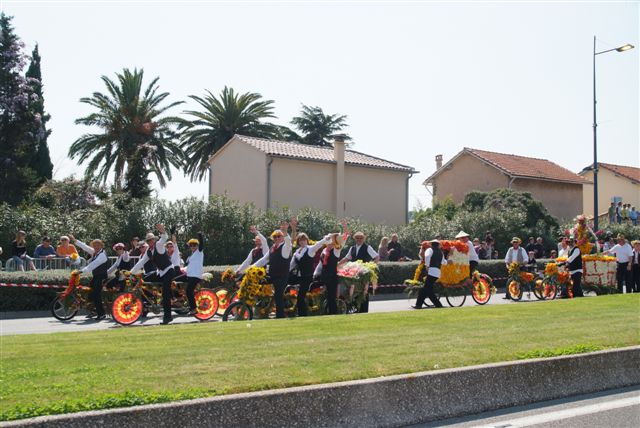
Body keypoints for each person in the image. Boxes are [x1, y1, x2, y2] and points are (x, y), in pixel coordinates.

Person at [130, 224, 175, 324]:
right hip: (161, 272)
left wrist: (163, 231)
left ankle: (168, 317)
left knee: (165, 293)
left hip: (169, 271)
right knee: (143, 280)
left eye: (151, 240)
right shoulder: (148, 251)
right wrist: (131, 273)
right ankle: (148, 303)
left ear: (154, 240)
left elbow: (164, 238)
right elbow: (141, 262)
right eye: (148, 240)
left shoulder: (158, 245)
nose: (150, 241)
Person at [252, 221, 293, 319]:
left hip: (281, 276)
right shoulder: (272, 248)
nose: (277, 238)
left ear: (282, 237)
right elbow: (264, 260)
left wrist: (285, 231)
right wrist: (251, 268)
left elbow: (288, 242)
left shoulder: (285, 247)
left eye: (279, 236)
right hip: (272, 275)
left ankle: (280, 317)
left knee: (278, 296)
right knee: (258, 283)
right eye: (275, 236)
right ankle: (260, 308)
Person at [289, 219, 327, 317]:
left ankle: (303, 315)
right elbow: (291, 265)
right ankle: (298, 312)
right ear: (298, 242)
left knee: (300, 296)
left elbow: (318, 245)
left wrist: (325, 239)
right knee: (294, 293)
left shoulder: (310, 250)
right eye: (301, 240)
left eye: (304, 240)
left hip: (308, 277)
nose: (303, 242)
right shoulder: (297, 252)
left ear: (307, 240)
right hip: (300, 277)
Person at [69, 234, 109, 320]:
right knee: (90, 293)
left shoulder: (102, 255)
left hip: (101, 277)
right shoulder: (95, 252)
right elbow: (85, 247)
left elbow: (93, 265)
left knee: (96, 294)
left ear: (102, 246)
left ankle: (101, 314)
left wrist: (81, 271)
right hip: (96, 276)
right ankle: (94, 310)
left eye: (98, 245)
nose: (96, 247)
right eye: (94, 245)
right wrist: (74, 240)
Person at [340, 231, 380, 313]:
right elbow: (346, 258)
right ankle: (355, 309)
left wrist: (370, 267)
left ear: (364, 239)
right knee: (353, 291)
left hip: (364, 273)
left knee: (364, 291)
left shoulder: (367, 247)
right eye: (357, 238)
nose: (359, 239)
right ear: (355, 239)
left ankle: (363, 311)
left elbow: (377, 257)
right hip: (354, 273)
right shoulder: (352, 248)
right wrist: (337, 264)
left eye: (361, 238)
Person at [314, 233, 345, 315]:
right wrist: (316, 273)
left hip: (332, 276)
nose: (330, 242)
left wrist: (344, 232)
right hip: (324, 276)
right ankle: (324, 311)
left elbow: (342, 242)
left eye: (331, 241)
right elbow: (320, 264)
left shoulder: (336, 250)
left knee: (331, 297)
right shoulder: (324, 251)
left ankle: (333, 313)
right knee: (324, 295)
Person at [175, 233, 205, 316]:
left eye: (194, 245)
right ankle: (178, 299)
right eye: (191, 245)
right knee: (175, 280)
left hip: (195, 276)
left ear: (197, 246)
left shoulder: (199, 252)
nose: (192, 247)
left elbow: (202, 244)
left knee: (189, 291)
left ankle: (193, 309)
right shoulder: (192, 255)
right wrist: (183, 270)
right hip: (189, 275)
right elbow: (190, 266)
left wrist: (200, 236)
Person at [412, 239, 446, 309]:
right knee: (428, 290)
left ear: (431, 244)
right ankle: (438, 304)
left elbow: (427, 257)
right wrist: (448, 261)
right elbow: (443, 262)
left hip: (431, 272)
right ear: (438, 245)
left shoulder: (429, 250)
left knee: (424, 289)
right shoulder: (441, 252)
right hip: (437, 273)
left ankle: (418, 305)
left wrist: (427, 266)